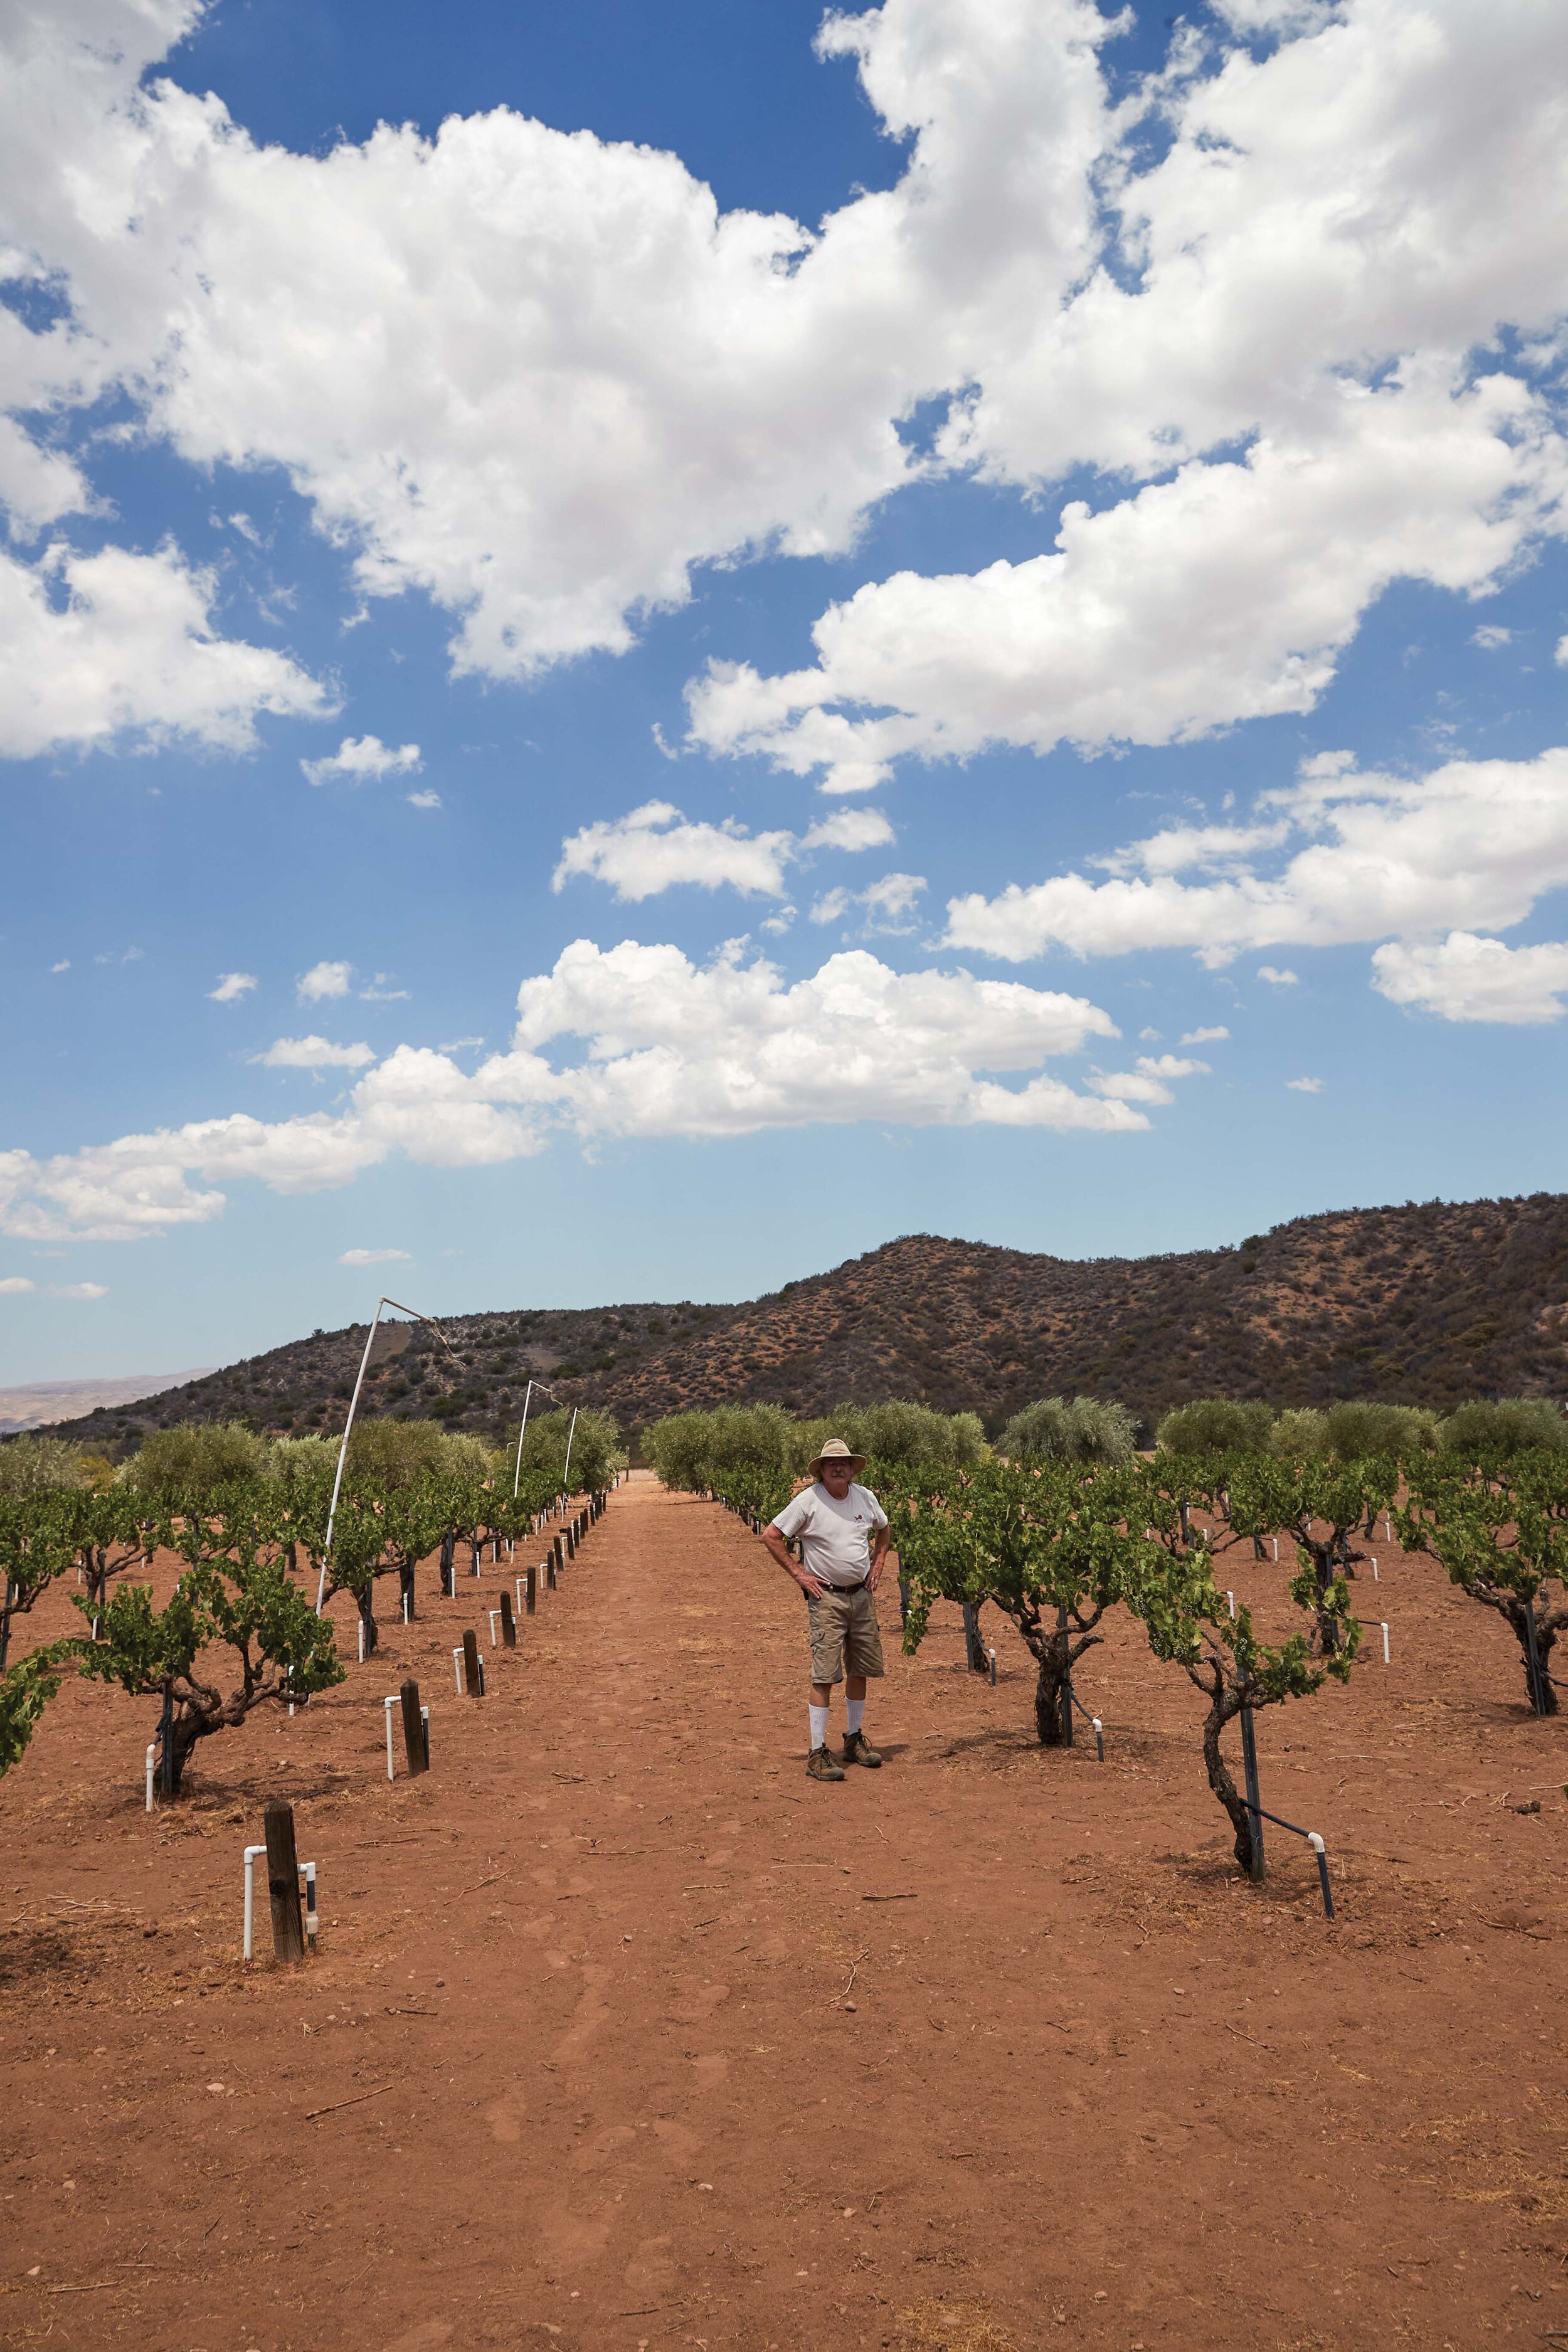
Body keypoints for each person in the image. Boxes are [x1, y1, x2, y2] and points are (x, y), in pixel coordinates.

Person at [761, 1438, 890, 1782]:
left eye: (844, 1463)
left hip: (861, 1596)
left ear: (851, 1468)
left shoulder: (865, 1496)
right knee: (825, 1674)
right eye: (831, 1463)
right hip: (827, 1598)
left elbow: (884, 1528)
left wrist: (879, 1560)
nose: (838, 1468)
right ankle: (817, 1752)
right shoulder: (807, 1501)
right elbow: (771, 1536)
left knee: (860, 1669)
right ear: (821, 1469)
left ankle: (853, 1739)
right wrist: (799, 1574)